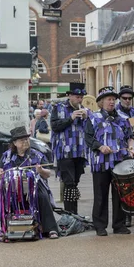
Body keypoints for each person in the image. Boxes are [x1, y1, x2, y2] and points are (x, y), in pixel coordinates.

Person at [85, 86, 134, 236]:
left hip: (119, 161)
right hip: (100, 162)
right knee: (100, 195)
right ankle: (100, 226)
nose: (111, 102)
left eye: (113, 99)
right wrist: (100, 146)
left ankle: (119, 225)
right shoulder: (93, 118)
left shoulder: (123, 118)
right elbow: (88, 138)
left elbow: (131, 135)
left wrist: (131, 147)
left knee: (120, 194)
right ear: (101, 102)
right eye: (108, 99)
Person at [0, 127, 59, 241]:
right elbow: (0, 173)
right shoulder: (7, 156)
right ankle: (1, 229)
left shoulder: (36, 155)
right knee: (4, 198)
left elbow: (48, 173)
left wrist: (41, 171)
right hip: (13, 187)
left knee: (42, 196)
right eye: (22, 140)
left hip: (34, 186)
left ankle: (50, 229)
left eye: (27, 139)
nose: (26, 142)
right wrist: (0, 174)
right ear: (15, 143)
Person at [50, 82, 91, 214]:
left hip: (79, 152)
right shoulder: (59, 108)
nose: (79, 100)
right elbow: (55, 126)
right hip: (64, 151)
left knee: (75, 183)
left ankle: (74, 214)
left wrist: (87, 119)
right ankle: (70, 215)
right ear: (70, 96)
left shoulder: (84, 109)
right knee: (69, 184)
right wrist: (71, 118)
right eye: (77, 97)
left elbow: (91, 130)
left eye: (81, 97)